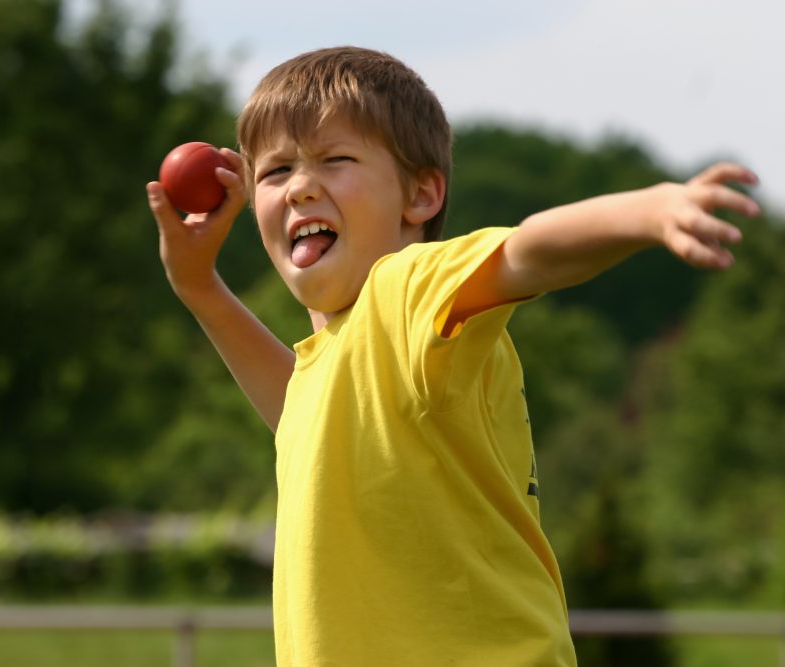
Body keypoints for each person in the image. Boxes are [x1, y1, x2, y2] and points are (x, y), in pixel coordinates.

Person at [146, 46, 761, 666]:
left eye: (335, 160)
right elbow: (302, 417)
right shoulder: (336, 363)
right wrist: (201, 288)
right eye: (275, 172)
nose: (301, 186)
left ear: (421, 196)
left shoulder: (405, 287)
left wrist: (648, 210)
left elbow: (528, 254)